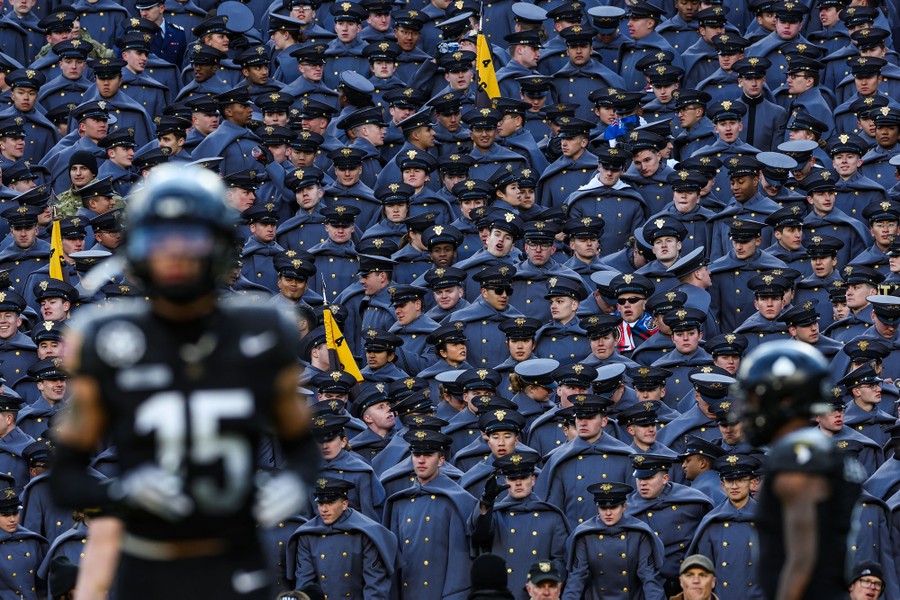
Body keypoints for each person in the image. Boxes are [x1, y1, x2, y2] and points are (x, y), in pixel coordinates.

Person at [49, 165, 318, 599]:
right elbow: (65, 476)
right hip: (146, 564)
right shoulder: (106, 337)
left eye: (190, 239)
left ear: (219, 245)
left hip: (238, 560)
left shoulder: (264, 329)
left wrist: (293, 483)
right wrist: (122, 494)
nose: (174, 255)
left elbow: (302, 448)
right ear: (137, 248)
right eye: (159, 240)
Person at [733, 340, 866, 600]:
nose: (749, 410)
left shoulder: (797, 457)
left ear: (784, 400)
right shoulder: (818, 449)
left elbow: (802, 558)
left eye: (756, 400)